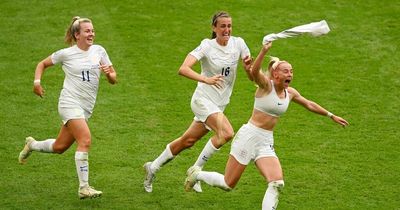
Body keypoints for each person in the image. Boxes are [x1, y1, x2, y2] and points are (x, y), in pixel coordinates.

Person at [184, 42, 349, 210]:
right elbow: (254, 72)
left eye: (291, 71)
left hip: (266, 140)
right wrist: (263, 51)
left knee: (276, 183)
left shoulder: (289, 93)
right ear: (275, 74)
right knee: (228, 184)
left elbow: (309, 104)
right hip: (248, 137)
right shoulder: (265, 86)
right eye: (286, 71)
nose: (290, 74)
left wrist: (331, 115)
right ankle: (196, 174)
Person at [143, 11, 253, 193]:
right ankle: (196, 172)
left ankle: (152, 168)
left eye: (229, 26)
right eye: (223, 26)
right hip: (202, 100)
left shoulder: (239, 43)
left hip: (219, 104)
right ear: (214, 28)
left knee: (188, 141)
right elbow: (183, 69)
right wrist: (205, 80)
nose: (227, 30)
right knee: (226, 133)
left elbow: (251, 75)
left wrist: (251, 67)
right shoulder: (207, 46)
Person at [18, 16, 117, 199]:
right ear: (77, 34)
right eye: (87, 31)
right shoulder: (66, 54)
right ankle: (84, 187)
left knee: (59, 146)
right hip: (69, 103)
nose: (91, 34)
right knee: (85, 140)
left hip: (86, 108)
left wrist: (109, 75)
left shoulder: (99, 50)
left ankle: (31, 145)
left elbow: (113, 78)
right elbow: (42, 64)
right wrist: (36, 82)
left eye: (93, 30)